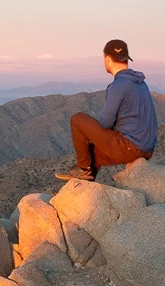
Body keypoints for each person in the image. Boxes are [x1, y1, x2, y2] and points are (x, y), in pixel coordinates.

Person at [55, 39, 158, 182]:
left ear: (108, 59)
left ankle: (83, 170)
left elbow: (105, 123)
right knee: (92, 153)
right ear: (127, 59)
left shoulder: (119, 85)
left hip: (130, 147)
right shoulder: (140, 83)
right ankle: (84, 187)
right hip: (147, 149)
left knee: (78, 119)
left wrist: (92, 132)